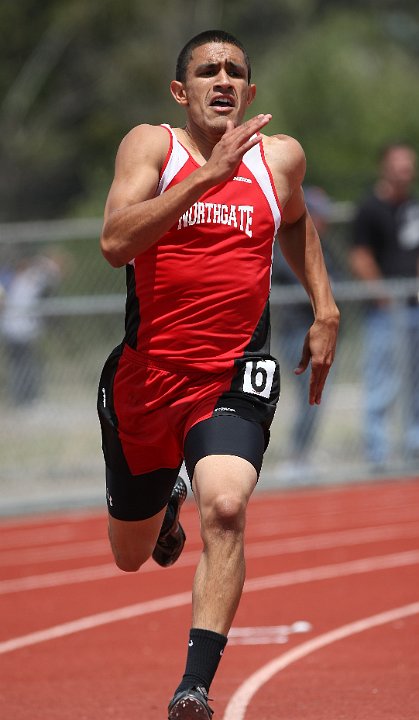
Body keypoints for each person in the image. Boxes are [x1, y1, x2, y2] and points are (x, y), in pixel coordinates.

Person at [97, 29, 339, 720]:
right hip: (146, 381)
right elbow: (115, 242)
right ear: (182, 91)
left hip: (233, 372)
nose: (222, 79)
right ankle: (164, 500)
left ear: (251, 92)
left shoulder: (278, 158)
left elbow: (294, 223)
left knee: (228, 510)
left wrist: (323, 305)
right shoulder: (153, 146)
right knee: (129, 554)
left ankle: (193, 687)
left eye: (234, 70)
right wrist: (206, 176)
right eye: (207, 71)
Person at [350, 142, 419, 468]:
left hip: (414, 306)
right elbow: (359, 255)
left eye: (410, 164)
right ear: (386, 167)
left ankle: (413, 445)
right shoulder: (369, 208)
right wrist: (383, 294)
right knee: (382, 382)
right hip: (384, 312)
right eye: (401, 163)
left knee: (415, 381)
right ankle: (378, 454)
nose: (407, 169)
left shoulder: (412, 208)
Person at [271, 186, 334, 479]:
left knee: (316, 396)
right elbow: (289, 277)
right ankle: (297, 453)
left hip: (317, 329)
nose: (321, 221)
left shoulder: (326, 247)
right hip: (296, 328)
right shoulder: (288, 244)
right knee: (307, 394)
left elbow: (339, 277)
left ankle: (303, 452)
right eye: (316, 215)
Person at [0, 251, 62, 406]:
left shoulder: (19, 281)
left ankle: (24, 399)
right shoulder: (25, 280)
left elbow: (51, 273)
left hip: (18, 328)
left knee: (23, 364)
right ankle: (26, 399)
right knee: (24, 365)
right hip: (19, 329)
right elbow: (51, 272)